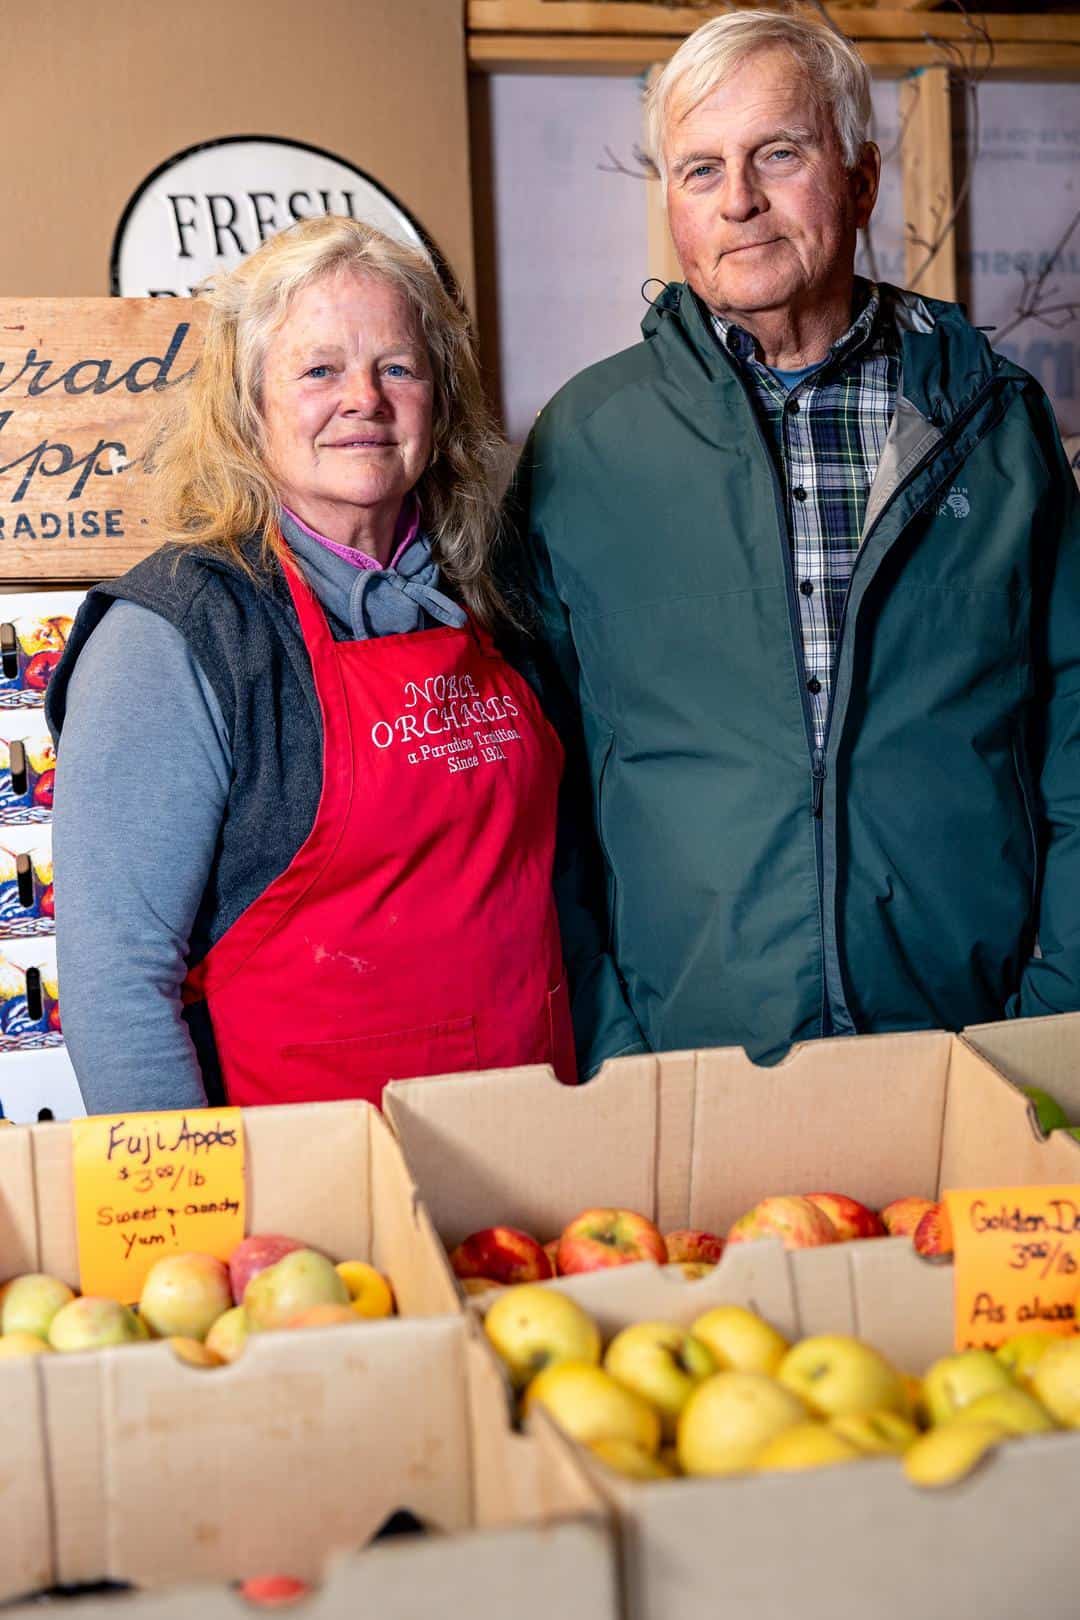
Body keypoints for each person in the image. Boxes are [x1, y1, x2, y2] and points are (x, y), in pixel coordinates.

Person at [504, 8, 1080, 1074]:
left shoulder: (996, 424)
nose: (739, 201)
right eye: (698, 168)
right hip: (687, 1065)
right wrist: (617, 1041)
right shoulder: (584, 446)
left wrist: (1050, 1013)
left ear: (860, 179)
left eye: (780, 153)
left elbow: (1076, 730)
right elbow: (539, 792)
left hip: (973, 1045)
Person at [49, 217, 576, 1113]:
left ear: (439, 403)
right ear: (248, 407)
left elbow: (560, 891)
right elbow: (116, 991)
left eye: (397, 368)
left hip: (533, 1161)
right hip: (308, 1207)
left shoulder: (499, 600)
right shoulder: (172, 637)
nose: (364, 399)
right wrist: (199, 1227)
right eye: (319, 369)